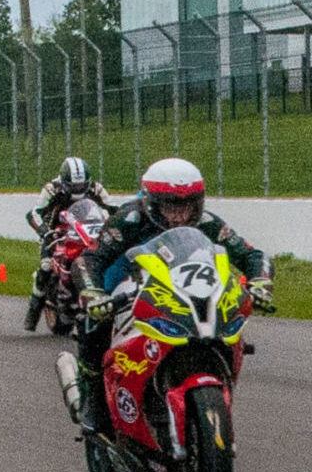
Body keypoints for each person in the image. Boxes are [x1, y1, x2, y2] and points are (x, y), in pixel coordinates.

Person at [70, 158, 273, 434]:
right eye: (170, 207)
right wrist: (93, 293)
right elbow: (89, 259)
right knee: (92, 323)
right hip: (126, 286)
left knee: (225, 320)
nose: (179, 215)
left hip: (182, 287)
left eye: (187, 206)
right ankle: (93, 396)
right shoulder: (129, 220)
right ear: (152, 202)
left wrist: (260, 282)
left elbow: (252, 254)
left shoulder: (207, 222)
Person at [25, 157, 113, 330]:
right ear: (64, 182)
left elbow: (113, 209)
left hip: (87, 232)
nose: (78, 190)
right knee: (45, 266)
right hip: (57, 233)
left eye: (81, 186)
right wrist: (45, 232)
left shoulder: (97, 188)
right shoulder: (52, 189)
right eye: (74, 187)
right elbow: (33, 213)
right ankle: (33, 311)